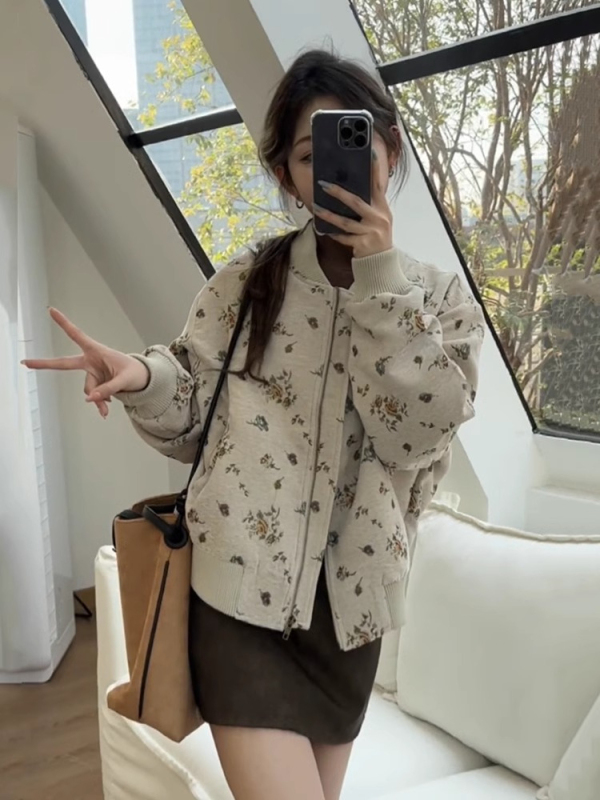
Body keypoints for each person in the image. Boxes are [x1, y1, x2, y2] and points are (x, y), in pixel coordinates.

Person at [23, 49, 484, 800]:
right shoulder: (247, 282)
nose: (332, 168)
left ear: (390, 150)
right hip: (237, 598)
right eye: (308, 155)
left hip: (350, 616)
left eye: (354, 140)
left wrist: (378, 281)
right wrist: (141, 376)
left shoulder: (438, 302)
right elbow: (192, 408)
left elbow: (417, 436)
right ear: (285, 176)